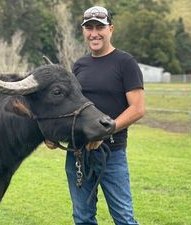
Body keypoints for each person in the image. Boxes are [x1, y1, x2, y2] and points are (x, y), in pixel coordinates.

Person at [46, 5, 145, 225]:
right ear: (84, 31)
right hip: (78, 154)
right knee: (82, 218)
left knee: (124, 218)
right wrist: (51, 133)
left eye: (99, 27)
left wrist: (103, 130)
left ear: (111, 29)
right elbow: (69, 106)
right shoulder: (80, 65)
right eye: (89, 27)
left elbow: (138, 108)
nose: (94, 33)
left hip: (111, 153)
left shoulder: (125, 63)